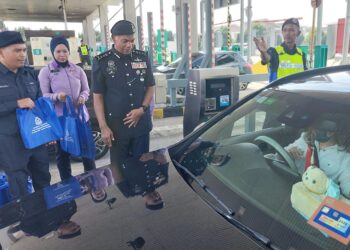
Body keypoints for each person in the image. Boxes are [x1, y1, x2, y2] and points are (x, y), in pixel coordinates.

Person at [0, 31, 80, 239]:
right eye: (16, 50)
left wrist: (49, 131)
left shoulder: (29, 74)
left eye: (23, 50)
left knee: (43, 180)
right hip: (10, 142)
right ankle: (32, 226)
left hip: (35, 139)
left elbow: (41, 105)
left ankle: (48, 220)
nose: (22, 54)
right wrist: (15, 104)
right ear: (1, 53)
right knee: (20, 188)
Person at [92, 20, 162, 209]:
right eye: (125, 41)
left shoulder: (142, 57)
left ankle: (141, 195)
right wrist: (103, 126)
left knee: (142, 164)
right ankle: (124, 202)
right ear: (113, 39)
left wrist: (142, 109)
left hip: (140, 125)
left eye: (132, 40)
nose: (129, 44)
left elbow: (150, 87)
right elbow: (97, 97)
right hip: (117, 128)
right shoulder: (102, 61)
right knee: (118, 167)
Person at [38, 36, 105, 201]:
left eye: (65, 51)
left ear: (69, 51)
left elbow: (86, 89)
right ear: (53, 52)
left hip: (81, 117)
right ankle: (68, 186)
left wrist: (82, 96)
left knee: (87, 151)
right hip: (62, 120)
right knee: (63, 154)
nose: (62, 54)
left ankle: (93, 182)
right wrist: (56, 96)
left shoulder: (77, 69)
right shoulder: (46, 71)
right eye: (58, 51)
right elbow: (43, 95)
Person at [285, 115, 350, 198]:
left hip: (314, 199)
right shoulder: (306, 138)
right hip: (291, 188)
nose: (313, 131)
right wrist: (289, 153)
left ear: (332, 132)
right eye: (313, 127)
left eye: (317, 129)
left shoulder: (344, 158)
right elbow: (280, 156)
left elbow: (348, 188)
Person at [254, 18, 307, 82]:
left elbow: (305, 76)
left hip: (296, 91)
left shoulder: (301, 54)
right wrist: (263, 52)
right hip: (279, 91)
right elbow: (266, 59)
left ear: (298, 33)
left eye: (291, 30)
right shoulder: (274, 51)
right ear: (282, 32)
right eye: (285, 30)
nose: (287, 33)